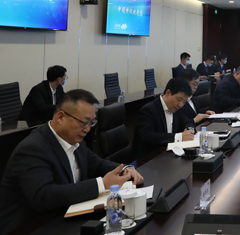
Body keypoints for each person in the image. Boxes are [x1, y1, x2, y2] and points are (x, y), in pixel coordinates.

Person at [0, 90, 143, 234]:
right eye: (83, 122)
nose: (87, 129)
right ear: (61, 117)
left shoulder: (75, 140)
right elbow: (44, 197)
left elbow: (96, 163)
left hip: (65, 217)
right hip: (31, 226)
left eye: (92, 123)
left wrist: (125, 169)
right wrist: (102, 184)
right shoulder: (33, 148)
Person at [133, 78, 195, 158]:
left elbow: (188, 122)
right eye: (179, 99)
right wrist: (178, 137)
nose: (180, 105)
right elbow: (147, 136)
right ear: (168, 93)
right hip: (149, 158)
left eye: (184, 102)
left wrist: (189, 130)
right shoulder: (149, 110)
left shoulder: (176, 109)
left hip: (168, 154)